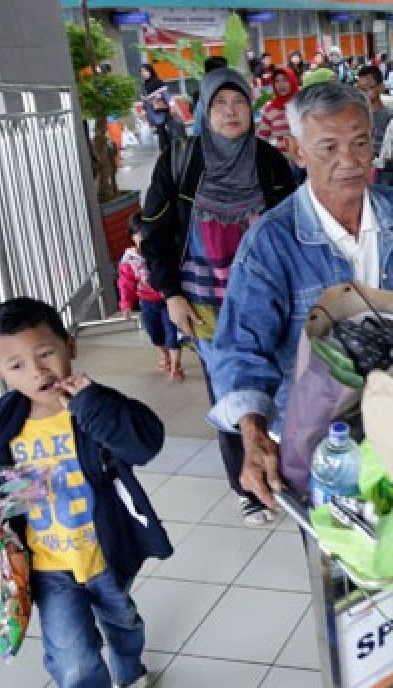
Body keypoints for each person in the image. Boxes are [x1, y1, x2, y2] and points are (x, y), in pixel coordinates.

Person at [205, 82, 393, 510]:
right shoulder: (272, 240)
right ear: (297, 151)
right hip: (319, 437)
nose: (349, 161)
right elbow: (241, 350)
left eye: (360, 143)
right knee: (337, 551)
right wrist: (254, 433)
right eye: (328, 147)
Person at [0, 298, 172, 688]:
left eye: (44, 353)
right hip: (47, 562)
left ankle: (130, 673)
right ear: (0, 372)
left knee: (122, 621)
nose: (35, 370)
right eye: (16, 364)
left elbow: (146, 442)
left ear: (69, 346)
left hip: (104, 550)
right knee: (69, 648)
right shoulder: (1, 424)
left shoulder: (92, 405)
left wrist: (92, 403)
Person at [142, 69, 297, 527]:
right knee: (229, 388)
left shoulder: (269, 161)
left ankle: (283, 466)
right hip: (204, 299)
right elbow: (153, 232)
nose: (231, 112)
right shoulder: (181, 159)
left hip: (268, 294)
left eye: (240, 103)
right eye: (220, 104)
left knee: (281, 379)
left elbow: (291, 227)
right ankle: (245, 485)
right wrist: (170, 294)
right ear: (204, 111)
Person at [117, 214, 183, 381]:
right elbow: (126, 282)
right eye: (141, 235)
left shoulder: (164, 252)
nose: (146, 240)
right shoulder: (129, 259)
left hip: (168, 300)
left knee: (172, 333)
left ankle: (176, 365)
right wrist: (126, 303)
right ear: (132, 237)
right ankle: (165, 355)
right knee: (155, 333)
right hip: (147, 302)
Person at [257, 66, 300, 155]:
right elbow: (261, 137)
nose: (281, 84)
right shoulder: (270, 109)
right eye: (277, 81)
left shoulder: (304, 104)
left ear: (292, 81)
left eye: (285, 80)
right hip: (283, 161)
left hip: (306, 160)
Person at [356, 65, 393, 160]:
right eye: (361, 89)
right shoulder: (355, 117)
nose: (364, 93)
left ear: (381, 87)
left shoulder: (392, 117)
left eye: (369, 88)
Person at [139, 64, 171, 153]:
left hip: (160, 110)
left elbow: (166, 94)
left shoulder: (158, 82)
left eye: (145, 71)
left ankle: (164, 150)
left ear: (150, 71)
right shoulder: (143, 85)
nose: (143, 73)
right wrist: (144, 111)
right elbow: (143, 101)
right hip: (151, 111)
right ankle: (166, 149)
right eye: (141, 71)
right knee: (160, 130)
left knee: (161, 129)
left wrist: (157, 96)